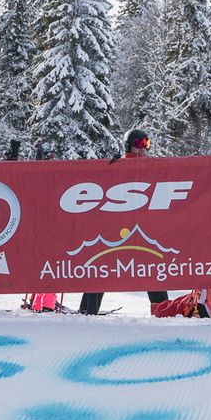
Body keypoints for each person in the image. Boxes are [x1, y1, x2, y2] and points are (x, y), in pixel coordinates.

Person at [79, 128, 171, 315]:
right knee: (103, 265)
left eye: (147, 144)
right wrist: (108, 168)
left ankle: (162, 310)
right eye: (139, 144)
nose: (143, 149)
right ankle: (87, 309)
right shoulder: (118, 165)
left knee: (152, 267)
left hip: (144, 228)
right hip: (118, 227)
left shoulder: (152, 167)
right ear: (129, 146)